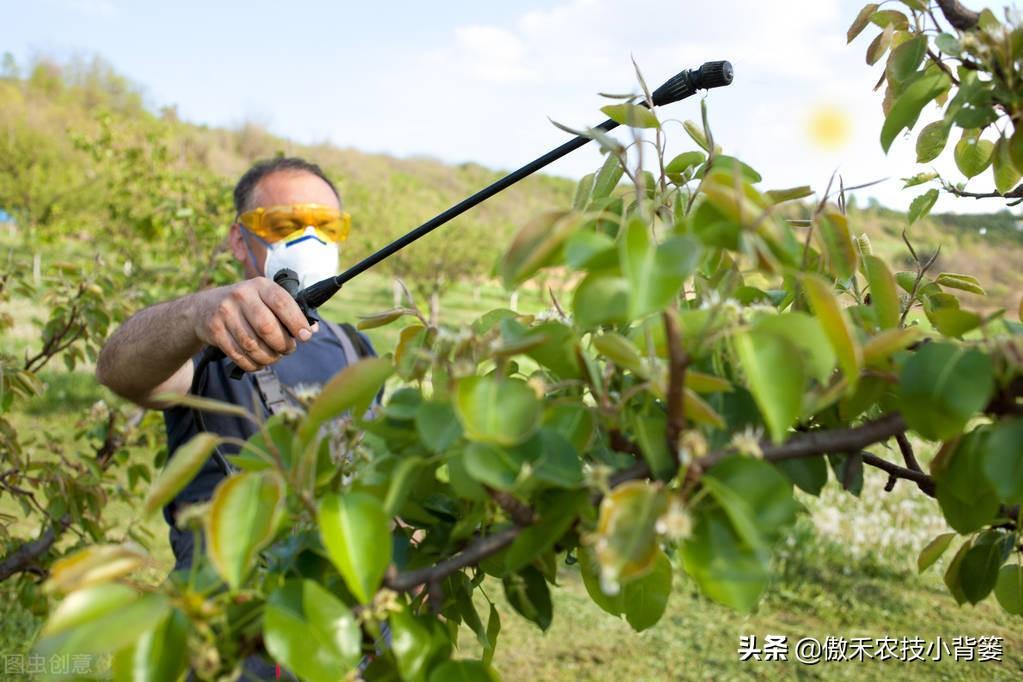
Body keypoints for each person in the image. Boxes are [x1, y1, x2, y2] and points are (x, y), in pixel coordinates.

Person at [96, 156, 375, 573]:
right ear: (240, 239)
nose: (311, 240)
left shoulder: (356, 346)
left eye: (328, 227)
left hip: (355, 600)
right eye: (285, 225)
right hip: (233, 611)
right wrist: (195, 315)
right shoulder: (203, 336)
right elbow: (119, 372)